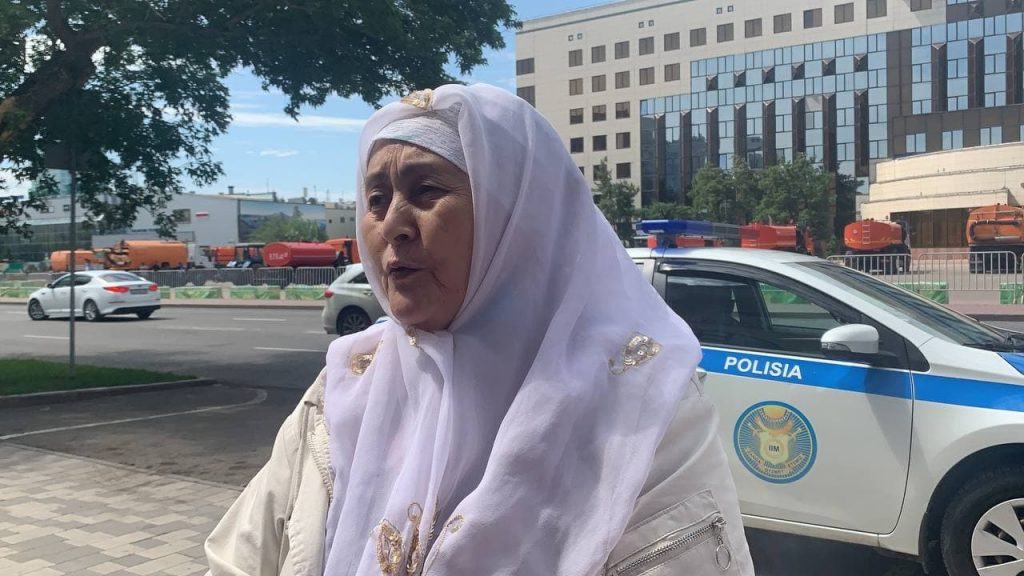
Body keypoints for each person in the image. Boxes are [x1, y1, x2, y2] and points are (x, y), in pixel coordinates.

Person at [205, 84, 754, 576]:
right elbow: (240, 558)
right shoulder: (345, 389)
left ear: (519, 220)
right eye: (376, 199)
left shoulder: (638, 409)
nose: (391, 224)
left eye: (425, 190)